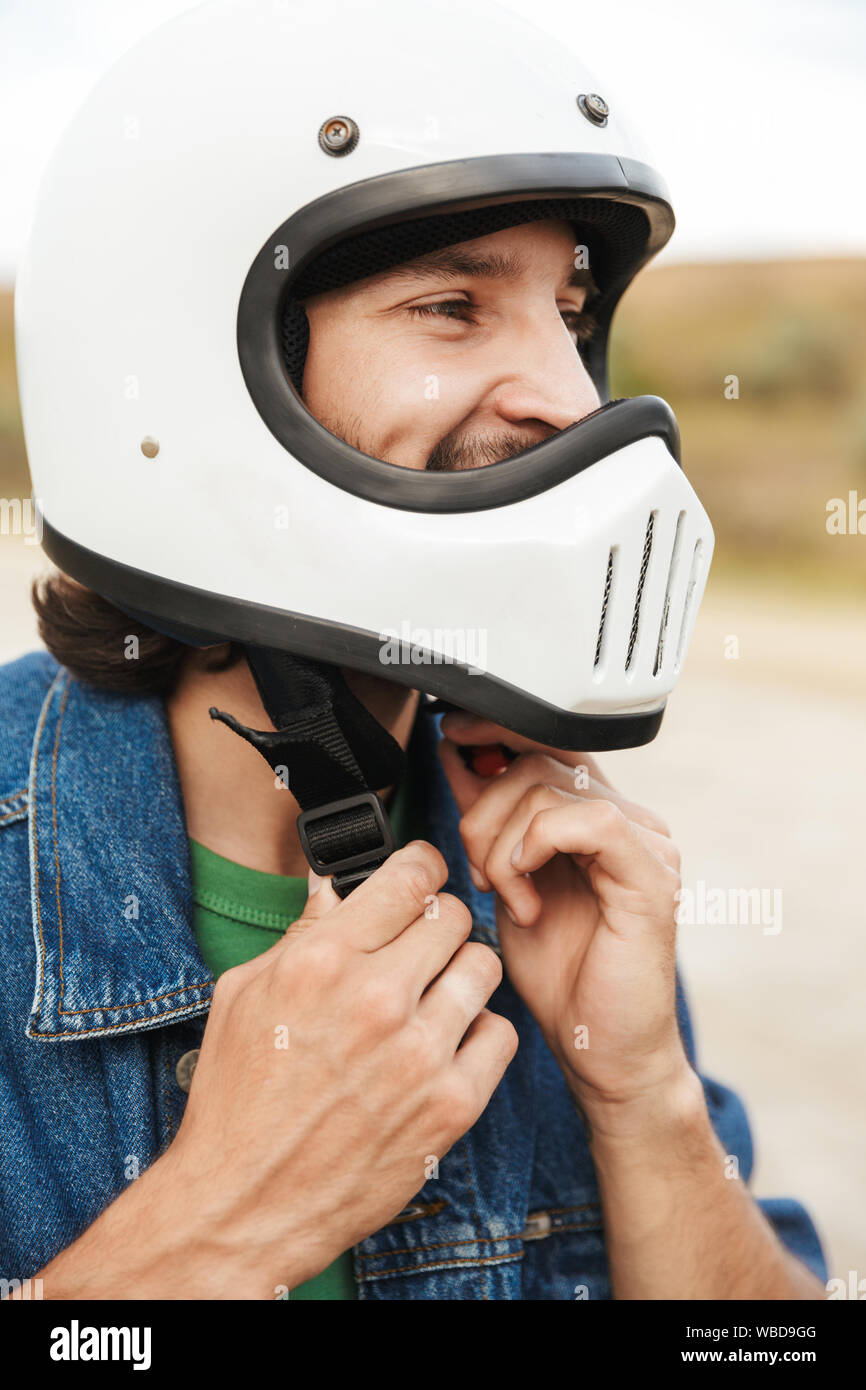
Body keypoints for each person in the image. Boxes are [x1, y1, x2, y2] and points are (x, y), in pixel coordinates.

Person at [2, 0, 827, 1300]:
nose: (569, 395)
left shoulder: (550, 867)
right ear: (178, 372)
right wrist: (215, 1224)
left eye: (569, 314)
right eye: (452, 306)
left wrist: (643, 1097)